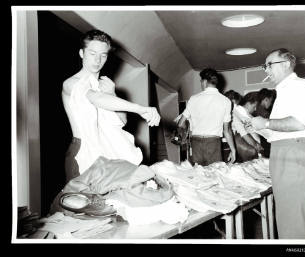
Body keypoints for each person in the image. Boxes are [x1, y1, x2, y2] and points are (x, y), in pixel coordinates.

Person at [62, 29, 161, 182]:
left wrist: (112, 94)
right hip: (84, 152)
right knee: (86, 203)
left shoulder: (103, 87)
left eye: (103, 55)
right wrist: (140, 109)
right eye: (92, 54)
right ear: (82, 53)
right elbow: (95, 98)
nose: (97, 60)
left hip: (107, 151)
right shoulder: (71, 84)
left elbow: (122, 122)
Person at [251, 48, 305, 239]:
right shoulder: (285, 90)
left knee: (293, 214)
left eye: (269, 65)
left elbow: (298, 123)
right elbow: (282, 128)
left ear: (286, 64)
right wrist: (261, 128)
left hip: (293, 151)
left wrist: (266, 123)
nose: (266, 70)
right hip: (286, 150)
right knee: (289, 212)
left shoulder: (299, 86)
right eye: (265, 66)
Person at [177, 68, 236, 166]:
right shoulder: (226, 101)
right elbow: (227, 130)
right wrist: (233, 150)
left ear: (204, 82)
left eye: (201, 81)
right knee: (214, 175)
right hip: (213, 143)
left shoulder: (194, 99)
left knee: (198, 176)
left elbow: (180, 123)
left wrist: (187, 130)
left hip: (195, 143)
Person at [232, 92, 264, 162]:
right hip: (247, 148)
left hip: (252, 148)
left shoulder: (246, 114)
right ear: (248, 103)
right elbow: (243, 132)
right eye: (254, 106)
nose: (255, 109)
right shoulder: (239, 113)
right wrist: (256, 145)